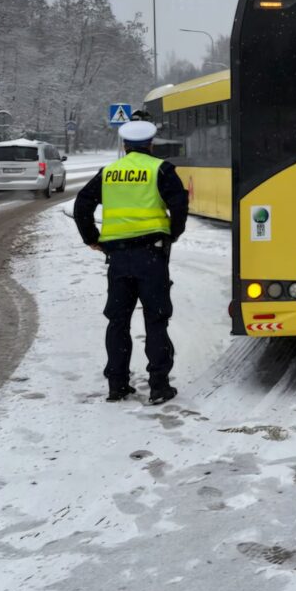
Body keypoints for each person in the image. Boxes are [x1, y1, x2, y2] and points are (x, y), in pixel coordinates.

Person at [74, 119, 189, 404]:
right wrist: (173, 234)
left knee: (118, 321)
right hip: (151, 257)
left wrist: (92, 238)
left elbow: (82, 204)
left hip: (118, 259)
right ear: (151, 144)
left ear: (125, 145)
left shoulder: (108, 172)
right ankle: (159, 386)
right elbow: (179, 205)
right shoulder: (160, 169)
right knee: (156, 320)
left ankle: (117, 385)